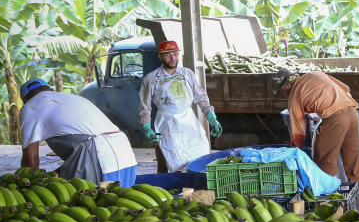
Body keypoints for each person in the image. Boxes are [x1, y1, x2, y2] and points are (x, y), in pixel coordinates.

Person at [19, 78, 138, 186]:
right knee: (121, 204)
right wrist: (57, 172)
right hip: (125, 155)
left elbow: (31, 161)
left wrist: (25, 185)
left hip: (98, 157)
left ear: (25, 99)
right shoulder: (74, 98)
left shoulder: (30, 107)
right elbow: (80, 148)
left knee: (89, 205)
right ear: (52, 90)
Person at [272, 69, 359, 189]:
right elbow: (346, 88)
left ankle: (330, 195)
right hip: (352, 112)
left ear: (288, 85)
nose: (282, 93)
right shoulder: (315, 74)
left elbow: (298, 131)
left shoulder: (294, 95)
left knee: (324, 158)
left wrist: (295, 151)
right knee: (353, 157)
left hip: (335, 118)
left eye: (281, 89)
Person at [139, 40, 222, 172]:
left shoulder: (187, 73)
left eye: (175, 54)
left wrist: (211, 115)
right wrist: (147, 127)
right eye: (168, 55)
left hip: (189, 121)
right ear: (160, 56)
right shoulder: (151, 79)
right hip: (167, 123)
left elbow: (200, 96)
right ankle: (168, 188)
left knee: (199, 155)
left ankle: (195, 186)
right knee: (169, 158)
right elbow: (145, 106)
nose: (173, 58)